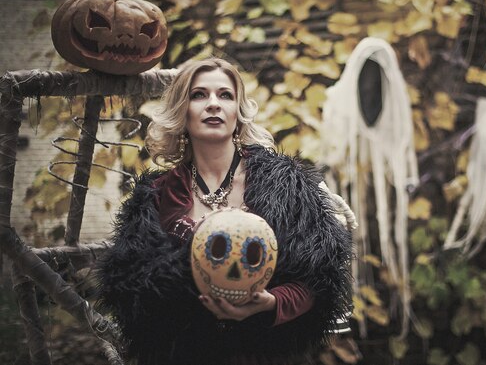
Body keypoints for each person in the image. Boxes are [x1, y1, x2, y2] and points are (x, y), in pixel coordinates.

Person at [97, 58, 353, 365]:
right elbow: (134, 296)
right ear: (182, 110)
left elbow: (317, 282)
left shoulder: (285, 185)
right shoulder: (155, 197)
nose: (214, 104)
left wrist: (271, 303)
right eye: (199, 95)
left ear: (238, 112)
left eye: (225, 95)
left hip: (265, 355)